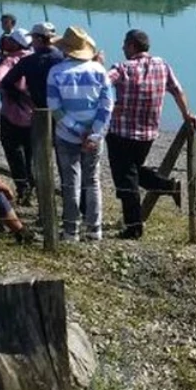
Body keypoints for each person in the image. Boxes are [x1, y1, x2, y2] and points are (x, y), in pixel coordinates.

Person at [105, 29, 196, 239]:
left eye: (124, 44)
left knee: (126, 180)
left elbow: (101, 83)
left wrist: (110, 105)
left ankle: (134, 227)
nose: (122, 48)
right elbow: (177, 90)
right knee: (133, 171)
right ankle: (168, 186)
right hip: (148, 133)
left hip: (121, 133)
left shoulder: (122, 68)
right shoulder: (161, 65)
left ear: (131, 46)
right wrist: (187, 114)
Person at [46, 26, 113, 243]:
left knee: (70, 181)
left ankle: (71, 230)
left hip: (66, 134)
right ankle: (94, 229)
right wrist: (94, 133)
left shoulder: (56, 72)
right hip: (94, 135)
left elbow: (55, 108)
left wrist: (77, 130)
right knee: (92, 180)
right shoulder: (99, 71)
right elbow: (107, 105)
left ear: (65, 49)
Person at [0, 27, 35, 204]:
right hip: (36, 115)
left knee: (14, 153)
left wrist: (12, 91)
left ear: (16, 43)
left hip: (12, 115)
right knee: (31, 153)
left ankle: (23, 188)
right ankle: (32, 184)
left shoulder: (11, 60)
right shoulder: (36, 59)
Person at [1, 22, 63, 110]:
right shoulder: (64, 58)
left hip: (39, 109)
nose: (31, 42)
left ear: (39, 39)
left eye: (32, 38)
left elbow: (6, 83)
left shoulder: (28, 61)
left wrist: (25, 97)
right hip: (63, 109)